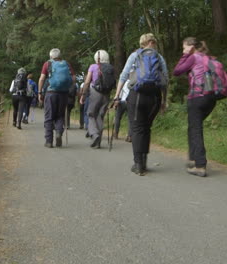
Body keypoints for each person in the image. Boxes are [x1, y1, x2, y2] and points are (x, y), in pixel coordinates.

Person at [113, 33, 168, 175]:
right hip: (154, 97)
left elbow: (123, 76)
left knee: (137, 129)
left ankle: (138, 165)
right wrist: (164, 100)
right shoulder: (159, 57)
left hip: (137, 96)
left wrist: (117, 95)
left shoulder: (135, 56)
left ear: (142, 43)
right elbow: (165, 80)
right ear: (152, 42)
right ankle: (143, 161)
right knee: (146, 128)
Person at [173, 37, 217, 177]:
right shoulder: (208, 58)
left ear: (191, 47)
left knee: (196, 129)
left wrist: (186, 55)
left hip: (197, 97)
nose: (183, 50)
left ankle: (200, 165)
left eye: (184, 47)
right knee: (193, 127)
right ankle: (193, 159)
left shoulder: (193, 57)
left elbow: (177, 71)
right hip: (211, 98)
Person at [38, 48, 76, 148]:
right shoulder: (66, 64)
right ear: (60, 56)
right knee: (60, 116)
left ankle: (49, 141)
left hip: (51, 93)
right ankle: (59, 133)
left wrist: (39, 92)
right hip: (63, 94)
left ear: (51, 56)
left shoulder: (47, 64)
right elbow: (73, 78)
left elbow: (42, 78)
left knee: (49, 117)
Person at [79, 50, 116, 149]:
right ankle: (98, 142)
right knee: (100, 116)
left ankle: (94, 134)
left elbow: (87, 82)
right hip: (106, 94)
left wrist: (83, 95)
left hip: (95, 92)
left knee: (91, 114)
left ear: (97, 58)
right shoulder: (110, 68)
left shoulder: (93, 66)